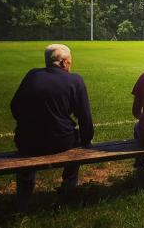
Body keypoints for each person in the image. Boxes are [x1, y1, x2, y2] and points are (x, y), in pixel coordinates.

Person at [11, 44, 94, 199]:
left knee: (26, 144)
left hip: (26, 141)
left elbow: (15, 106)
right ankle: (69, 185)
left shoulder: (32, 75)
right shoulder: (74, 80)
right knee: (78, 141)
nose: (71, 64)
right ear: (63, 62)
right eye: (70, 61)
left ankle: (25, 191)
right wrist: (87, 140)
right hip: (61, 141)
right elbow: (84, 117)